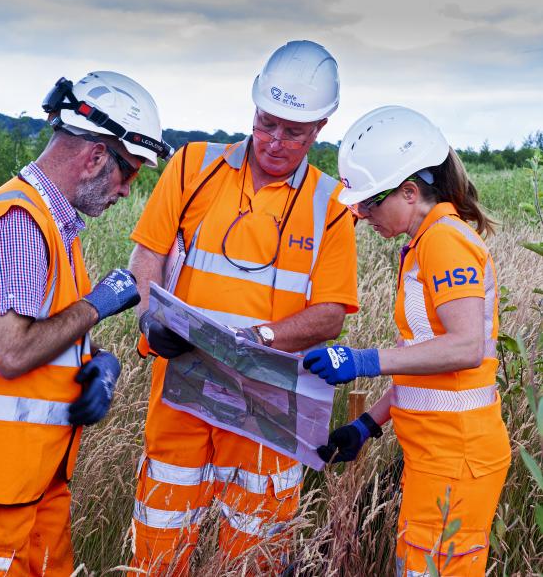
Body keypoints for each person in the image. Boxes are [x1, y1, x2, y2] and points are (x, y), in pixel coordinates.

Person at [129, 40, 358, 573]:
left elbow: (331, 314)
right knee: (160, 542)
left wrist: (256, 342)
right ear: (254, 108)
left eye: (293, 132)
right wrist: (148, 318)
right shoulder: (192, 166)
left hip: (268, 403)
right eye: (265, 122)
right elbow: (147, 258)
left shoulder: (331, 206)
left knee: (256, 553)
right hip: (181, 389)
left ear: (320, 127)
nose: (274, 141)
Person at [0, 71, 172, 575]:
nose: (128, 191)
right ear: (96, 157)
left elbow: (50, 336)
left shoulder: (57, 224)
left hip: (34, 487)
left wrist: (96, 361)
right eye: (130, 173)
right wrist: (98, 303)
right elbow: (12, 352)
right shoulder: (17, 222)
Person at [303, 106, 511, 576]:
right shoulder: (422, 244)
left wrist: (362, 360)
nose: (361, 215)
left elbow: (464, 348)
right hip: (436, 454)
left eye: (369, 203)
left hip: (457, 459)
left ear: (410, 192)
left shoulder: (443, 242)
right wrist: (368, 425)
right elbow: (427, 362)